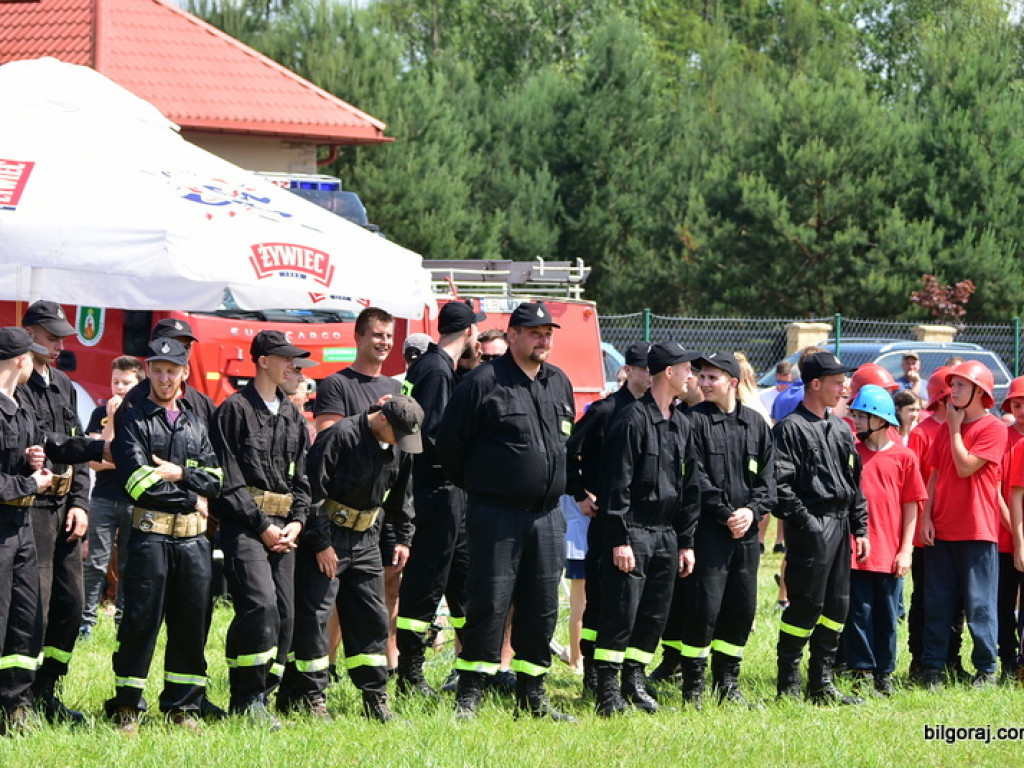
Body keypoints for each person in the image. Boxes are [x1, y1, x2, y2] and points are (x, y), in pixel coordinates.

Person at [437, 301, 576, 721]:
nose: (543, 339)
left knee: (541, 606)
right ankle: (470, 696)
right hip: (495, 514)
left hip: (548, 517)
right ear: (512, 335)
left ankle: (533, 695)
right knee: (488, 601)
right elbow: (449, 447)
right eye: (534, 332)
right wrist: (486, 486)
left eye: (548, 332)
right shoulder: (482, 382)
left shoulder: (559, 382)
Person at [277, 396, 420, 722]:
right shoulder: (340, 436)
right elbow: (312, 493)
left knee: (372, 617)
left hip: (367, 539)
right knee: (315, 619)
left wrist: (403, 539)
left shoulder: (399, 444)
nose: (401, 442)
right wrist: (321, 544)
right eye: (397, 434)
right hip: (330, 537)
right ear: (382, 419)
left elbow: (401, 497)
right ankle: (311, 699)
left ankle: (375, 699)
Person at [108, 338, 224, 733]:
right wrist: (194, 495)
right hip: (149, 539)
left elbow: (217, 479)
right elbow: (139, 484)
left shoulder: (195, 420)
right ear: (148, 371)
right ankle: (127, 708)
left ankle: (183, 707)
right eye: (156, 369)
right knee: (140, 623)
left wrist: (183, 476)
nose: (163, 377)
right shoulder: (133, 417)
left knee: (192, 624)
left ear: (184, 373)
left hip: (194, 543)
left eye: (171, 370)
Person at [0, 328, 107, 735]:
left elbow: (54, 443)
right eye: (32, 353)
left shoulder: (21, 406)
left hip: (24, 524)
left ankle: (19, 704)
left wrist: (98, 449)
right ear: (20, 359)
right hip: (14, 519)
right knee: (7, 620)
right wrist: (30, 483)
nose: (47, 353)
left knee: (28, 618)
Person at [209, 331, 313, 729]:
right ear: (263, 361)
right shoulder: (233, 411)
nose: (293, 366)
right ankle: (246, 697)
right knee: (260, 605)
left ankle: (265, 693)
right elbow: (228, 481)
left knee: (285, 616)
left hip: (285, 531)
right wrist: (262, 526)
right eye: (285, 359)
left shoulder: (292, 416)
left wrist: (298, 522)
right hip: (246, 528)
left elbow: (303, 479)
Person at [590, 342, 700, 717]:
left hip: (666, 534)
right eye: (687, 369)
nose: (692, 377)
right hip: (633, 530)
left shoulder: (682, 423)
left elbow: (690, 488)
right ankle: (607, 692)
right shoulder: (632, 420)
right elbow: (615, 486)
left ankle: (633, 681)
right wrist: (619, 539)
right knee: (621, 613)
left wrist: (685, 542)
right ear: (668, 372)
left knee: (654, 614)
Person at [673, 351, 776, 708]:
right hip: (709, 532)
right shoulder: (691, 421)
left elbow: (769, 480)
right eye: (701, 377)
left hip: (745, 535)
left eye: (712, 378)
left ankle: (727, 684)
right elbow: (695, 477)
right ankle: (694, 689)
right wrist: (725, 513)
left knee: (741, 608)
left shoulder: (756, 424)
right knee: (704, 608)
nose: (703, 383)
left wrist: (751, 511)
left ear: (733, 382)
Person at [395, 300, 485, 696]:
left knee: (464, 583)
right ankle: (410, 676)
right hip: (437, 489)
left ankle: (472, 671)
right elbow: (431, 437)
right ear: (468, 332)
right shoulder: (435, 371)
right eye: (477, 331)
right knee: (427, 582)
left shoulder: (433, 366)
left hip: (450, 492)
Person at [773, 351, 869, 705]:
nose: (844, 388)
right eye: (837, 382)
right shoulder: (791, 429)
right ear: (815, 384)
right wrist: (808, 525)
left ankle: (822, 684)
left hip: (841, 525)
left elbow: (854, 481)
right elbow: (780, 486)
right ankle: (789, 684)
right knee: (805, 605)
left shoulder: (841, 429)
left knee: (837, 606)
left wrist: (860, 528)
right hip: (812, 526)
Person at [313, 307, 405, 676]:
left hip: (377, 513)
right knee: (333, 595)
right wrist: (373, 417)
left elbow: (402, 456)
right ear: (358, 338)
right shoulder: (336, 384)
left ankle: (385, 665)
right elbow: (326, 436)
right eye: (377, 335)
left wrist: (401, 529)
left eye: (388, 336)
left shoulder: (397, 389)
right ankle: (328, 666)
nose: (384, 342)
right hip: (337, 512)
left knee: (388, 592)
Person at [19, 300, 91, 723]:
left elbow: (76, 449)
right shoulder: (16, 382)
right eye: (51, 337)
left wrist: (81, 503)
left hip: (65, 508)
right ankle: (19, 699)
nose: (59, 344)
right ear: (29, 334)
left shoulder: (64, 384)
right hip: (32, 508)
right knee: (35, 604)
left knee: (70, 602)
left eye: (62, 337)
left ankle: (49, 689)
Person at [566, 341, 651, 695]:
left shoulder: (657, 412)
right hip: (606, 518)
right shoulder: (605, 410)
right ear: (628, 370)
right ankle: (592, 674)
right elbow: (569, 451)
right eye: (644, 368)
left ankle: (630, 676)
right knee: (600, 598)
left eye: (653, 368)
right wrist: (581, 494)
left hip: (643, 521)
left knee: (636, 601)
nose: (650, 374)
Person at [918, 361, 1006, 688]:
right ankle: (933, 669)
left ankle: (986, 669)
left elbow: (965, 466)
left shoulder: (992, 428)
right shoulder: (944, 428)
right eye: (952, 386)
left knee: (980, 605)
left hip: (977, 530)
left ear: (980, 392)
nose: (952, 391)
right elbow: (937, 474)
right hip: (942, 529)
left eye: (960, 386)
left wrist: (955, 429)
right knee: (938, 602)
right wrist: (926, 517)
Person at [843, 385, 925, 696]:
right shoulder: (851, 453)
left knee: (887, 618)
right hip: (857, 553)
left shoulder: (904, 457)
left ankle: (884, 674)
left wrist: (905, 551)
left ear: (880, 419)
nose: (856, 421)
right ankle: (861, 672)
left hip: (890, 554)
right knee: (858, 614)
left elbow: (912, 505)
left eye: (861, 415)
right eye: (854, 415)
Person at [905, 366, 967, 683]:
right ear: (942, 399)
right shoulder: (923, 433)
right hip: (928, 532)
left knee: (956, 599)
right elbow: (916, 484)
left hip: (955, 527)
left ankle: (951, 659)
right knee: (926, 598)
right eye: (951, 394)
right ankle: (920, 659)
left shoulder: (965, 429)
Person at [80, 355, 145, 639]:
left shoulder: (144, 413)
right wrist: (111, 421)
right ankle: (85, 622)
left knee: (130, 561)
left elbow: (144, 462)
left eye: (126, 383)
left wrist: (118, 459)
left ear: (139, 384)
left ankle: (123, 621)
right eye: (115, 382)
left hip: (133, 498)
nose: (119, 388)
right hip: (104, 497)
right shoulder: (99, 414)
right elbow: (94, 460)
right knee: (96, 560)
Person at [998, 377, 1024, 680]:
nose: (1021, 411)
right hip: (1004, 536)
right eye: (1016, 405)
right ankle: (1007, 655)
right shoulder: (1003, 438)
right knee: (1003, 601)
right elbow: (996, 490)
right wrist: (1016, 532)